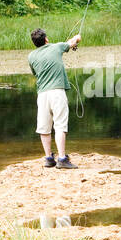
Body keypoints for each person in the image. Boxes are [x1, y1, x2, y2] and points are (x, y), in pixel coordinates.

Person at [28, 28, 81, 168]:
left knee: (44, 128)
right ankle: (62, 159)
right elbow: (72, 42)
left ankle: (48, 159)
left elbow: (35, 73)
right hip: (57, 93)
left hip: (42, 95)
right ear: (46, 39)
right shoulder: (56, 47)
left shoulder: (31, 56)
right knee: (60, 126)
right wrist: (77, 38)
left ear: (34, 43)